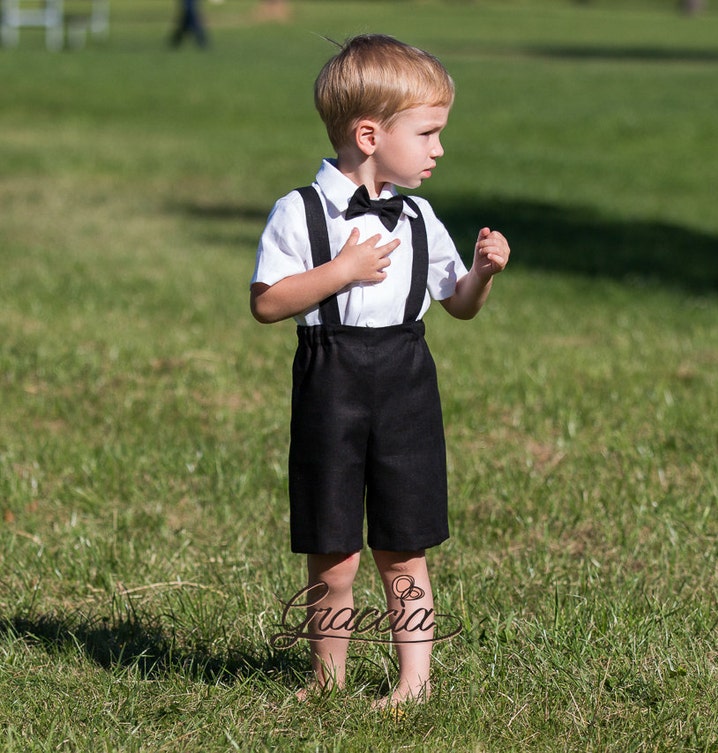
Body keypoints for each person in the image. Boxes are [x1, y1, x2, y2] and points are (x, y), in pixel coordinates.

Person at [249, 34, 510, 707]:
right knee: (332, 549)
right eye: (428, 133)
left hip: (405, 382)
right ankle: (325, 678)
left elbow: (458, 306)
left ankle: (413, 683)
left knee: (405, 542)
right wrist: (340, 272)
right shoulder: (299, 213)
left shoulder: (421, 218)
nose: (438, 149)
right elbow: (268, 302)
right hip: (330, 380)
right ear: (370, 134)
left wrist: (481, 274)